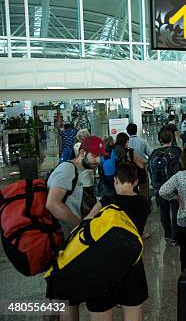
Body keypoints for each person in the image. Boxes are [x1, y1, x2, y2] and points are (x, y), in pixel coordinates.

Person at [45, 136, 106, 321]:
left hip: (62, 240)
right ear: (82, 152)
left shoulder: (76, 171)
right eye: (95, 156)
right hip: (59, 241)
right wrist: (80, 225)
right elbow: (53, 204)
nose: (99, 160)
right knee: (67, 297)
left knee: (57, 294)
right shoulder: (67, 169)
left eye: (101, 156)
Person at [85, 162, 151, 321]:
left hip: (103, 266)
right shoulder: (144, 203)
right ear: (135, 182)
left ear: (115, 180)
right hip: (132, 263)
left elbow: (86, 224)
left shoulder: (107, 200)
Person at [149, 129, 182, 244]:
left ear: (160, 140)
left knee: (163, 211)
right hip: (174, 187)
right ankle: (175, 237)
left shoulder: (154, 153)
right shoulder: (177, 151)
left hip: (159, 187)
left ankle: (167, 235)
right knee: (175, 211)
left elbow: (150, 170)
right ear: (172, 139)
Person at [73, 129, 95, 199]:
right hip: (87, 176)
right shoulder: (83, 146)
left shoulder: (76, 145)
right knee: (88, 197)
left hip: (79, 175)